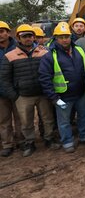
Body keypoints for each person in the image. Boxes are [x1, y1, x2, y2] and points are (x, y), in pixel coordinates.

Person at [0, 24, 60, 157]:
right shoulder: (10, 56)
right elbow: (4, 79)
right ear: (18, 38)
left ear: (34, 37)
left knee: (47, 119)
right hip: (23, 96)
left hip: (42, 93)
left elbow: (52, 72)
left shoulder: (44, 52)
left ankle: (49, 139)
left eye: (30, 36)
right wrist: (15, 96)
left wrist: (49, 90)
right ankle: (29, 142)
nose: (28, 38)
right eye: (24, 36)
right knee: (26, 122)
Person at [38, 22, 85, 153]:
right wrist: (54, 97)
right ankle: (67, 141)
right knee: (64, 121)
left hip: (80, 92)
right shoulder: (50, 55)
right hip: (63, 96)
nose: (64, 39)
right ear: (56, 38)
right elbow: (44, 78)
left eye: (66, 36)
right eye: (61, 37)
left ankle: (84, 136)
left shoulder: (79, 50)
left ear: (70, 36)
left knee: (84, 116)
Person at [0, 20, 22, 157]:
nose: (0, 34)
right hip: (1, 92)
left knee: (21, 118)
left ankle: (23, 141)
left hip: (17, 90)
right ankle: (7, 144)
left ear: (8, 33)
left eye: (2, 31)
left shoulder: (18, 48)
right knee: (4, 120)